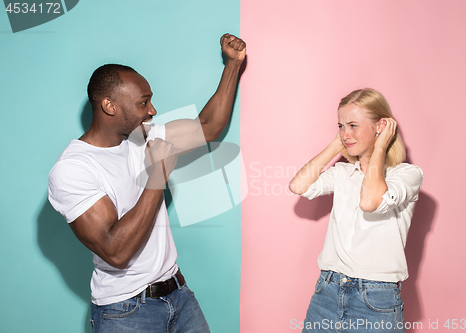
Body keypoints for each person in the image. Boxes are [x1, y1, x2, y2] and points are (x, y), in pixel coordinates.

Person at [48, 33, 246, 333]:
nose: (152, 110)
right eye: (143, 103)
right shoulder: (73, 169)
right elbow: (116, 251)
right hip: (126, 311)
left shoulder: (142, 136)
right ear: (109, 106)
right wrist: (158, 174)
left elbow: (208, 127)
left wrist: (232, 65)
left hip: (179, 295)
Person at [289, 88, 423, 333]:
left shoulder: (406, 175)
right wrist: (336, 145)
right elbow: (298, 185)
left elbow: (369, 202)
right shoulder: (343, 173)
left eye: (353, 125)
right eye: (340, 126)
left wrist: (380, 148)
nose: (345, 134)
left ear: (381, 126)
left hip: (376, 300)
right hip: (327, 291)